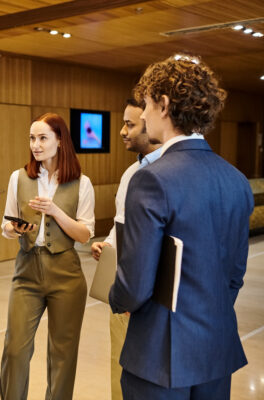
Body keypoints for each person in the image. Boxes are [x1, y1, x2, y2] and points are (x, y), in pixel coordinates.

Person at [109, 55, 254, 399]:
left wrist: (115, 297)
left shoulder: (151, 180)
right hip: (216, 347)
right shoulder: (236, 180)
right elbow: (235, 275)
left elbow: (135, 286)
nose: (142, 115)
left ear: (164, 104)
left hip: (160, 352)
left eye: (145, 104)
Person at [0, 112, 95, 400]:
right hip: (27, 270)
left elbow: (84, 234)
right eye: (32, 138)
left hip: (66, 274)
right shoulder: (18, 178)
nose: (35, 145)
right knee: (15, 349)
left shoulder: (82, 183)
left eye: (43, 138)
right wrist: (14, 229)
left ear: (60, 141)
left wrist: (55, 211)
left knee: (62, 354)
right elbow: (6, 226)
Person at [91, 98, 162, 400]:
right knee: (118, 368)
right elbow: (121, 223)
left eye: (130, 124)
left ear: (153, 126)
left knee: (144, 377)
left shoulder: (165, 174)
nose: (122, 131)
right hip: (120, 288)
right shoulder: (130, 173)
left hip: (146, 297)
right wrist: (107, 244)